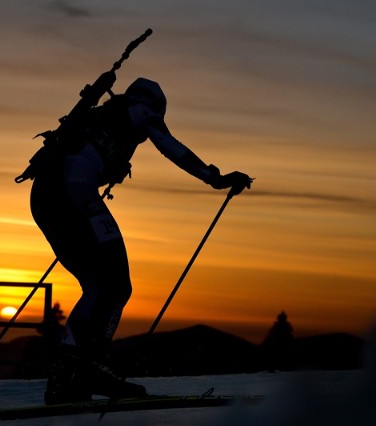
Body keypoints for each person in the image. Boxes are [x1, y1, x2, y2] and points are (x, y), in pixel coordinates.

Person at [28, 77, 252, 404]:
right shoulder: (140, 111)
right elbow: (169, 144)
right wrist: (213, 177)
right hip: (71, 189)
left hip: (45, 196)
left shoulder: (101, 116)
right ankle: (89, 369)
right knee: (115, 282)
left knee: (99, 285)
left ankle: (69, 378)